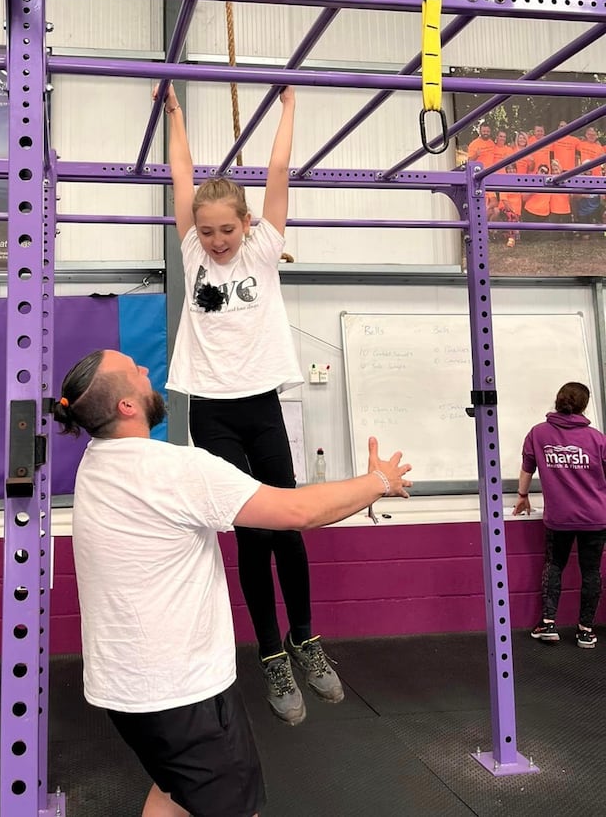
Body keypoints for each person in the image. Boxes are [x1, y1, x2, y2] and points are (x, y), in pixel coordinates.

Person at [54, 348, 411, 817]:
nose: (145, 371)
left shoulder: (96, 463)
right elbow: (297, 513)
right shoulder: (177, 470)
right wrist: (378, 481)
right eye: (134, 371)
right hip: (181, 696)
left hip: (122, 692)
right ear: (125, 406)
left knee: (173, 791)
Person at [162, 81, 343, 726]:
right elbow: (181, 176)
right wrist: (175, 116)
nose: (214, 240)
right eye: (206, 231)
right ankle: (270, 653)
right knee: (250, 532)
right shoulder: (190, 252)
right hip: (210, 408)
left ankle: (306, 638)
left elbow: (275, 174)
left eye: (224, 230)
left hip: (261, 404)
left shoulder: (264, 247)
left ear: (247, 225)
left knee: (285, 522)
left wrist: (288, 110)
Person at [513, 381, 606, 649]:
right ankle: (585, 632)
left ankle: (548, 624)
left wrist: (522, 496)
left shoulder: (538, 433)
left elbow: (527, 468)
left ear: (557, 401)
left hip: (560, 518)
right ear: (584, 406)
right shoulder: (597, 439)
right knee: (591, 571)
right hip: (595, 518)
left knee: (554, 566)